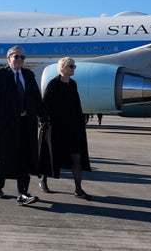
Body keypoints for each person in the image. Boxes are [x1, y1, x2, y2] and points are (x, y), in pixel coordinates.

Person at [0, 46, 47, 206]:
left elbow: (36, 98)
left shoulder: (28, 75)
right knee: (0, 155)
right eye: (16, 57)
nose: (20, 60)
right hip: (4, 124)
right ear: (8, 58)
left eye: (22, 57)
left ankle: (23, 192)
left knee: (25, 156)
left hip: (26, 123)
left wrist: (43, 117)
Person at [38, 57, 92, 200]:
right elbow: (44, 105)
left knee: (76, 156)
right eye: (70, 66)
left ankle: (78, 189)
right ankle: (43, 180)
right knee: (51, 155)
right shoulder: (53, 84)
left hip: (73, 127)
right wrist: (43, 121)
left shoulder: (72, 84)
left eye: (74, 66)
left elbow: (76, 105)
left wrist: (81, 121)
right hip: (56, 127)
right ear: (62, 68)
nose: (73, 69)